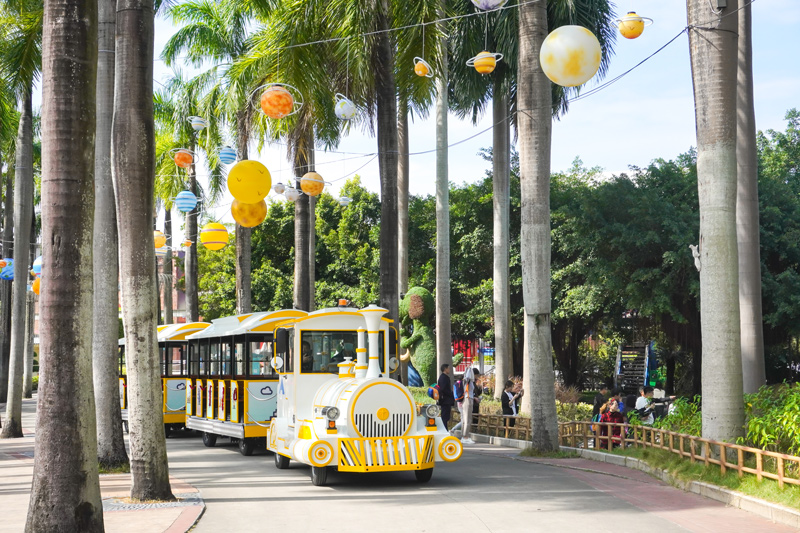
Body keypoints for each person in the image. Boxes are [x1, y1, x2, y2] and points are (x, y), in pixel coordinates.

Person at [437, 363, 455, 429]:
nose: (449, 370)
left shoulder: (443, 377)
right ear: (445, 369)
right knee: (445, 416)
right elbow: (444, 389)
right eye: (448, 368)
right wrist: (451, 393)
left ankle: (444, 428)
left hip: (445, 400)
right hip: (445, 400)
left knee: (446, 416)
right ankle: (444, 429)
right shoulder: (444, 378)